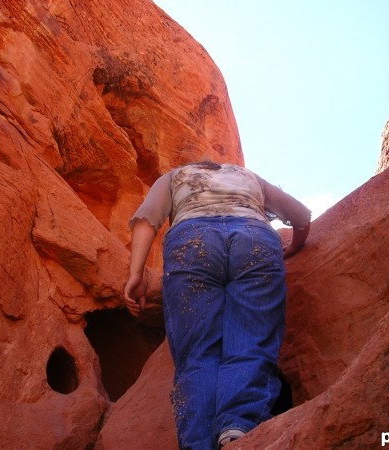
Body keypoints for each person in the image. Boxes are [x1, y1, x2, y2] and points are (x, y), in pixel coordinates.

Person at [124, 160, 311, 449]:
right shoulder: (247, 177)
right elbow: (300, 216)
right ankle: (238, 427)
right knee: (252, 339)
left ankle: (198, 442)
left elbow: (147, 219)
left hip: (193, 240)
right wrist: (296, 245)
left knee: (197, 353)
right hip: (254, 238)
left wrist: (136, 275)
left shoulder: (176, 176)